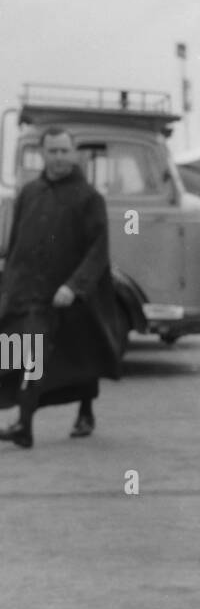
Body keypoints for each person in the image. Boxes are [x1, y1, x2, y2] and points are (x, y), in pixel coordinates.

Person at [0, 127, 123, 449]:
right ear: (42, 153)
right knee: (16, 354)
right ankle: (29, 419)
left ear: (74, 153)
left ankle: (26, 426)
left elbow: (99, 250)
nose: (58, 158)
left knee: (62, 356)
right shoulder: (29, 192)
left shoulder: (88, 198)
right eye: (52, 151)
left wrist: (74, 286)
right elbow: (16, 244)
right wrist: (7, 284)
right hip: (25, 292)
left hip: (64, 297)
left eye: (64, 151)